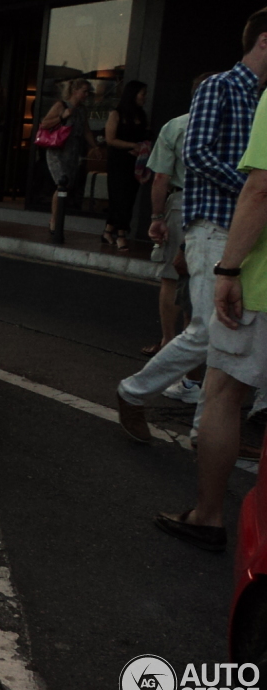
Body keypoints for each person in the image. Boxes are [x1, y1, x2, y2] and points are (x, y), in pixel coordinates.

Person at [117, 8, 267, 454]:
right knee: (206, 331)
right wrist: (253, 189)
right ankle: (133, 393)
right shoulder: (220, 86)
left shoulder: (262, 96)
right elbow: (198, 154)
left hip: (242, 232)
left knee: (228, 334)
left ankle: (209, 432)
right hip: (212, 225)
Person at [154, 74, 267, 552]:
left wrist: (229, 268)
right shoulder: (225, 89)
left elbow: (260, 190)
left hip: (261, 281)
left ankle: (207, 516)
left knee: (222, 391)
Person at [142, 74, 214, 360]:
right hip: (224, 204)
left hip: (182, 201)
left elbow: (160, 177)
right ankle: (197, 343)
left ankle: (168, 342)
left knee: (173, 276)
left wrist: (156, 216)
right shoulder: (237, 123)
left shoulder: (176, 126)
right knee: (206, 276)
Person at [38, 79, 97, 234]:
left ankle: (59, 217)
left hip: (73, 151)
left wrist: (95, 147)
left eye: (87, 92)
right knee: (61, 183)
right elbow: (44, 124)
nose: (86, 95)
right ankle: (54, 220)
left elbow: (86, 130)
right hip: (58, 150)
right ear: (75, 91)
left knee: (67, 185)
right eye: (84, 91)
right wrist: (62, 116)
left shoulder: (82, 110)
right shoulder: (61, 105)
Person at [103, 81, 151, 250]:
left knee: (129, 197)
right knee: (119, 197)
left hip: (135, 162)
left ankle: (108, 230)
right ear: (133, 94)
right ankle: (121, 233)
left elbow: (146, 136)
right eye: (142, 93)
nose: (144, 97)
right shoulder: (116, 114)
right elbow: (110, 139)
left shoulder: (141, 115)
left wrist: (143, 148)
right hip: (118, 161)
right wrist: (132, 146)